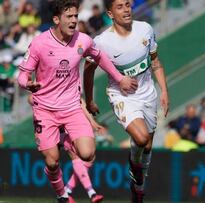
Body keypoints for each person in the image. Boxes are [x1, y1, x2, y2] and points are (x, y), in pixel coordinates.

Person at [17, 0, 137, 202]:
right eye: (69, 16)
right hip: (45, 109)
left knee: (88, 153)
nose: (74, 20)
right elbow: (22, 75)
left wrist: (119, 78)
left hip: (72, 107)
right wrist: (27, 84)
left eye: (75, 16)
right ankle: (62, 195)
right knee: (53, 162)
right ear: (56, 19)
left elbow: (101, 59)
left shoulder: (84, 41)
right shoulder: (39, 43)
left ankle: (70, 165)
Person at [83, 0, 169, 202]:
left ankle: (138, 189)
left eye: (128, 5)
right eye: (120, 6)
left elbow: (155, 61)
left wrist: (164, 91)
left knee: (147, 147)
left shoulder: (145, 29)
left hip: (148, 94)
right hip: (123, 97)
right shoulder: (102, 42)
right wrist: (90, 100)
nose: (126, 9)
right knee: (140, 139)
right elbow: (88, 73)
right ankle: (133, 166)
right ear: (110, 13)